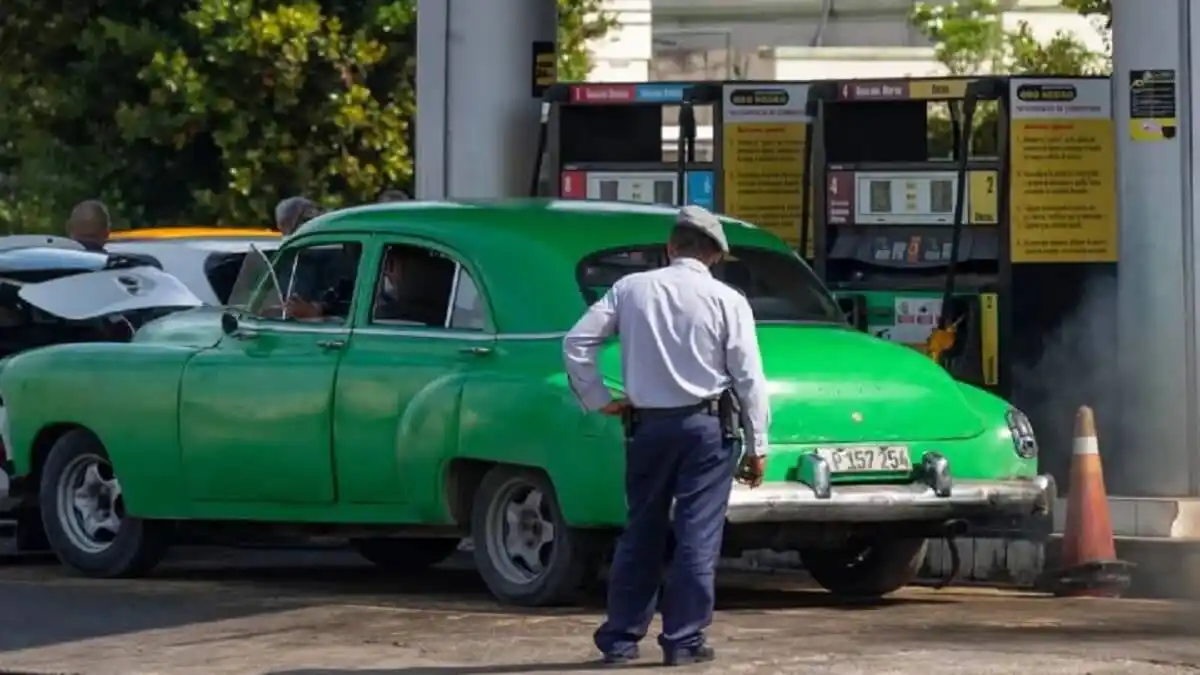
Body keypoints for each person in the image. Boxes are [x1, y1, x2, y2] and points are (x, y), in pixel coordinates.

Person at [562, 205, 770, 667]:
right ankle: (683, 640)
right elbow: (749, 377)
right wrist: (758, 446)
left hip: (647, 428)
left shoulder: (630, 289)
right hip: (707, 430)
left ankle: (620, 640)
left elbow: (577, 342)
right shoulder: (728, 300)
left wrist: (598, 398)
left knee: (641, 532)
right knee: (698, 534)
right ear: (714, 256)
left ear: (670, 247)